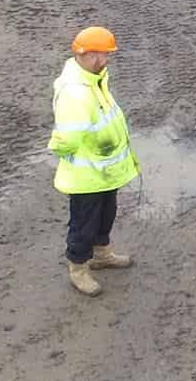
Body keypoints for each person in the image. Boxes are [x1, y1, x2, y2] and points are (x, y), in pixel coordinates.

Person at [49, 26, 141, 297]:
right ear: (89, 55)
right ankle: (78, 269)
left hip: (103, 171)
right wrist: (58, 147)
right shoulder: (75, 92)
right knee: (84, 224)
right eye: (104, 54)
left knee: (105, 215)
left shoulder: (95, 79)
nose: (107, 59)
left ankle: (102, 254)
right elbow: (68, 138)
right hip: (87, 177)